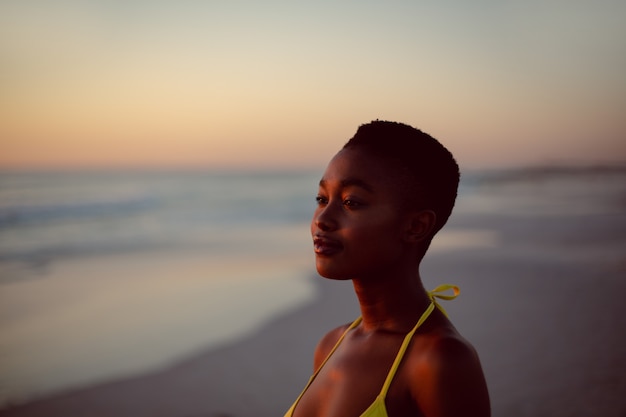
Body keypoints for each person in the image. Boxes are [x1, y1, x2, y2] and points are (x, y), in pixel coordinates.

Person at [284, 121, 490, 417]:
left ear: (415, 226)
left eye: (350, 202)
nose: (322, 219)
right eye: (321, 199)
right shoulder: (331, 344)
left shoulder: (439, 361)